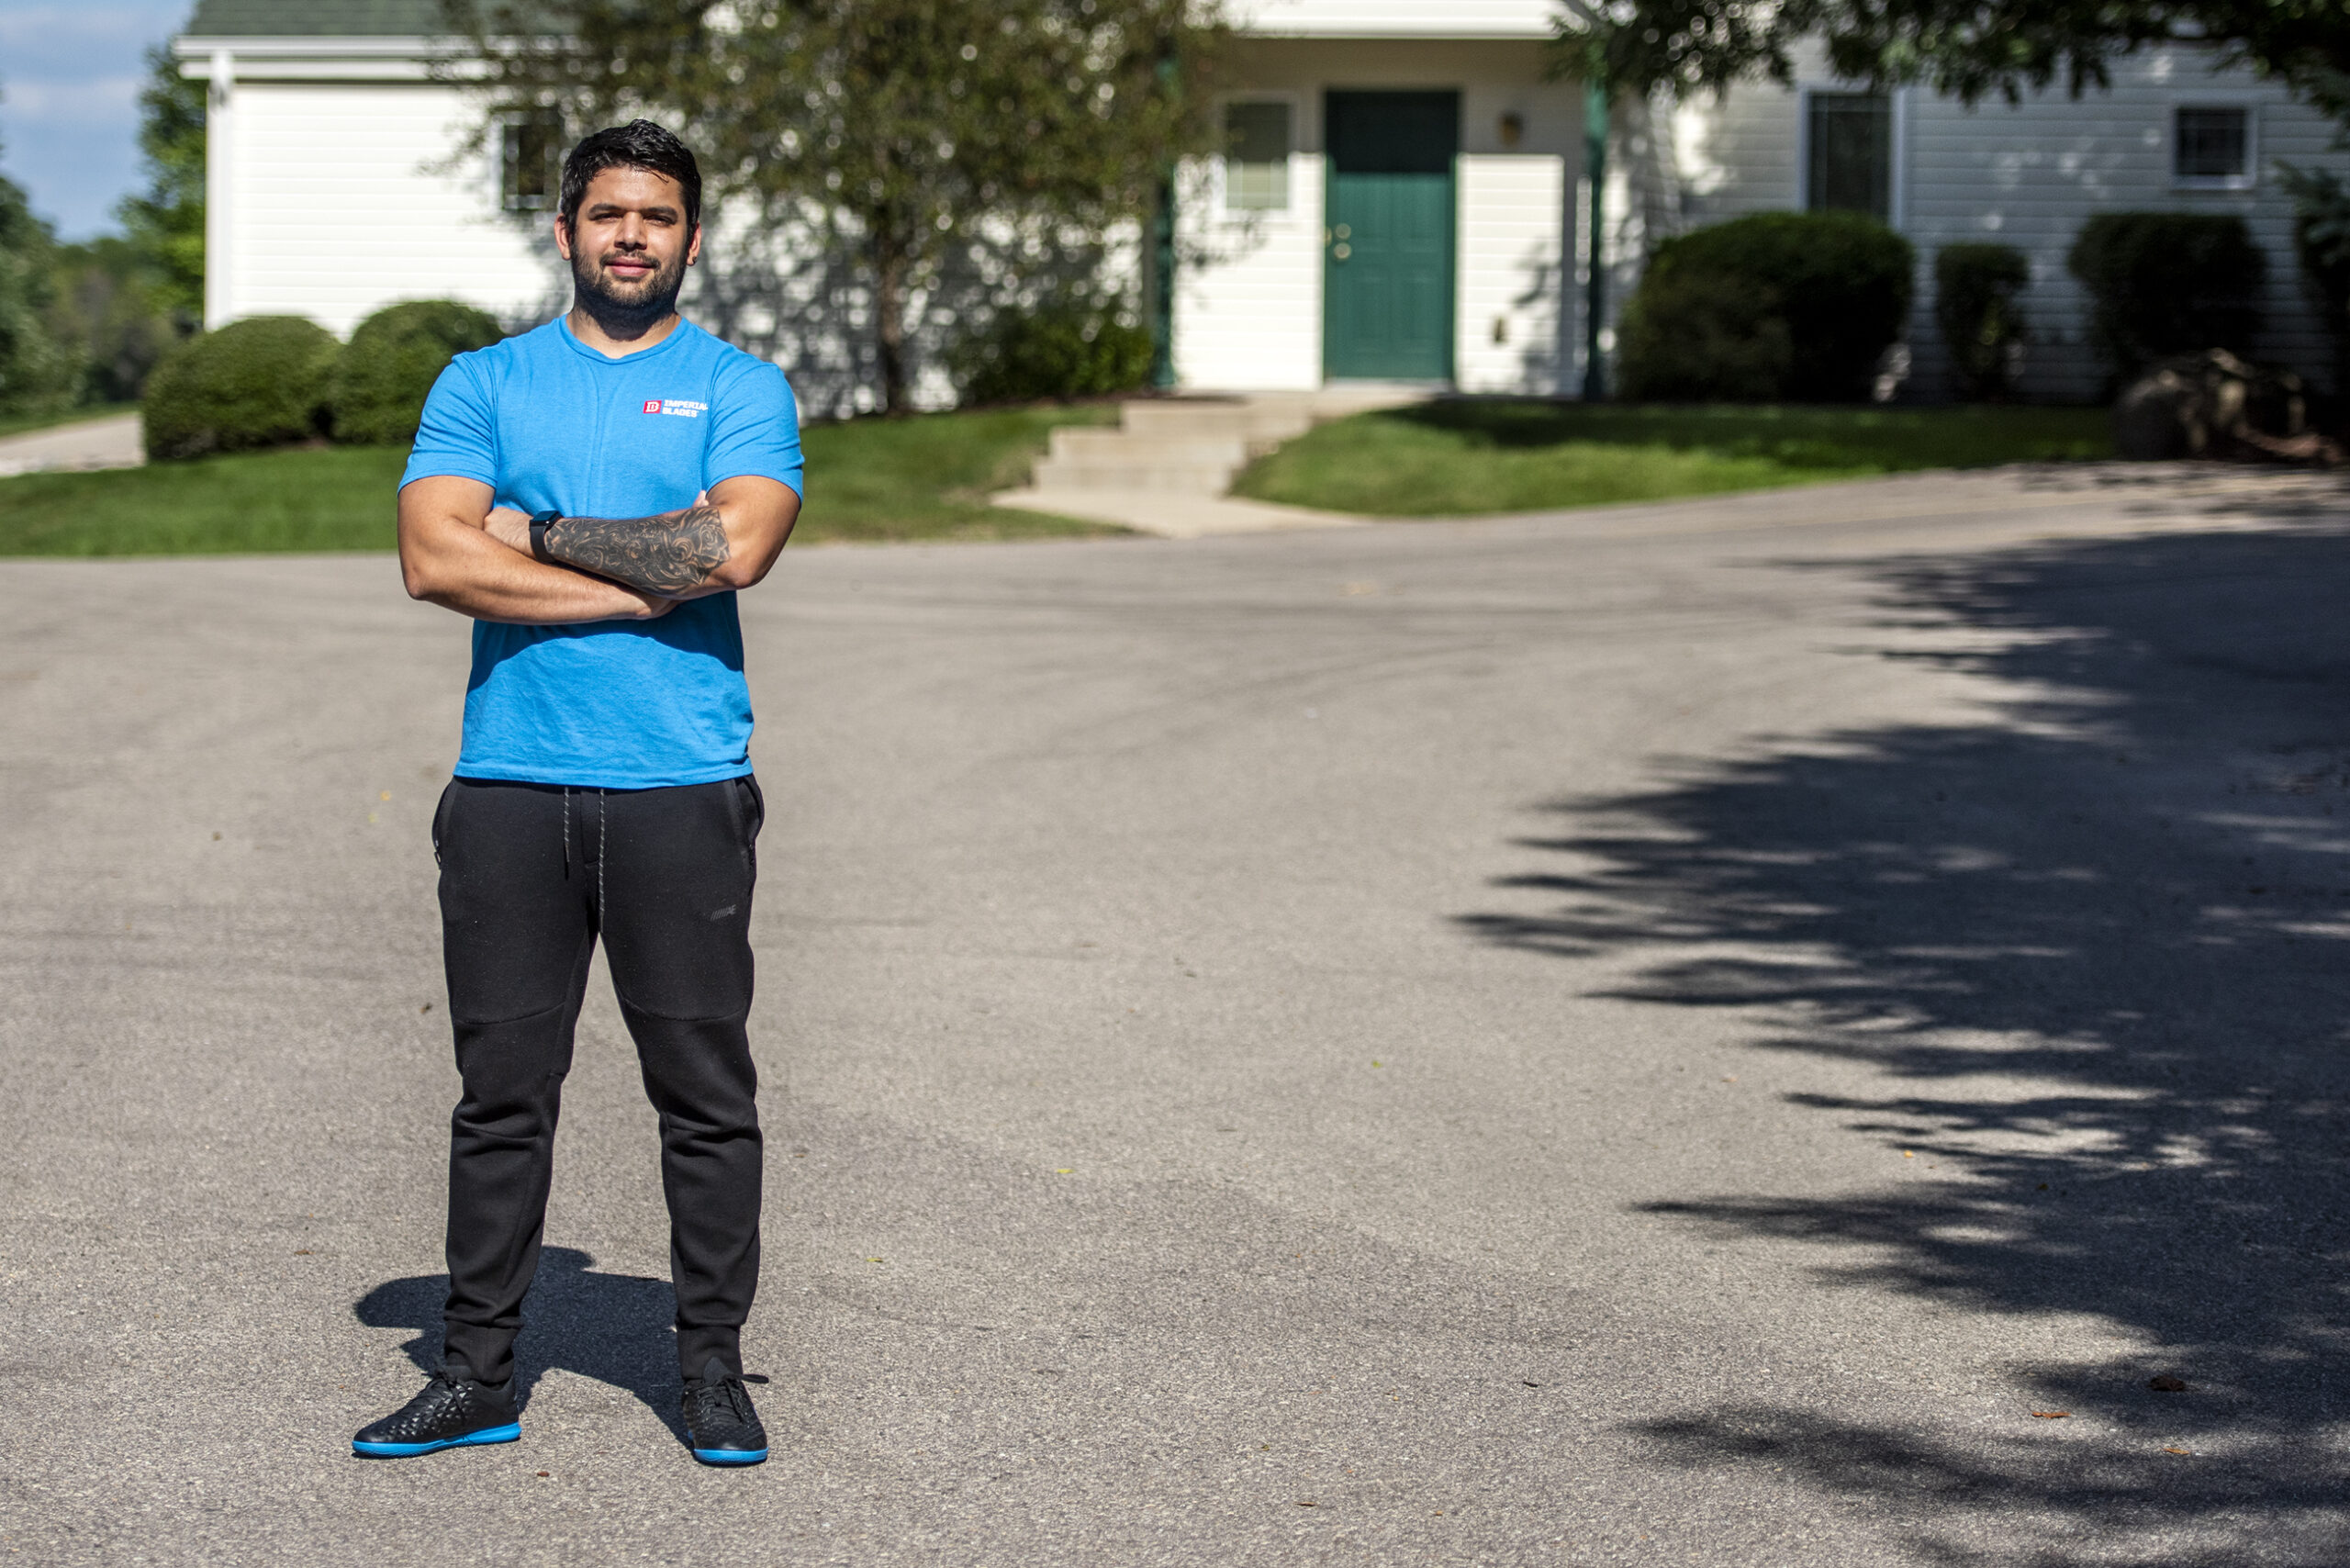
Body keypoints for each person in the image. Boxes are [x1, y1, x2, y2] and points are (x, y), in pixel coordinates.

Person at [353, 119, 803, 1467]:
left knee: (704, 1095)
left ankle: (710, 1371)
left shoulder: (740, 383)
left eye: (657, 218)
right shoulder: (484, 382)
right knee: (502, 1095)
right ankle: (478, 1373)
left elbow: (733, 546)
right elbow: (434, 562)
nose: (630, 237)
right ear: (564, 233)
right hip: (509, 786)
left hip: (681, 786)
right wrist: (648, 575)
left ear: (691, 239)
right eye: (607, 215)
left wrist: (535, 533)